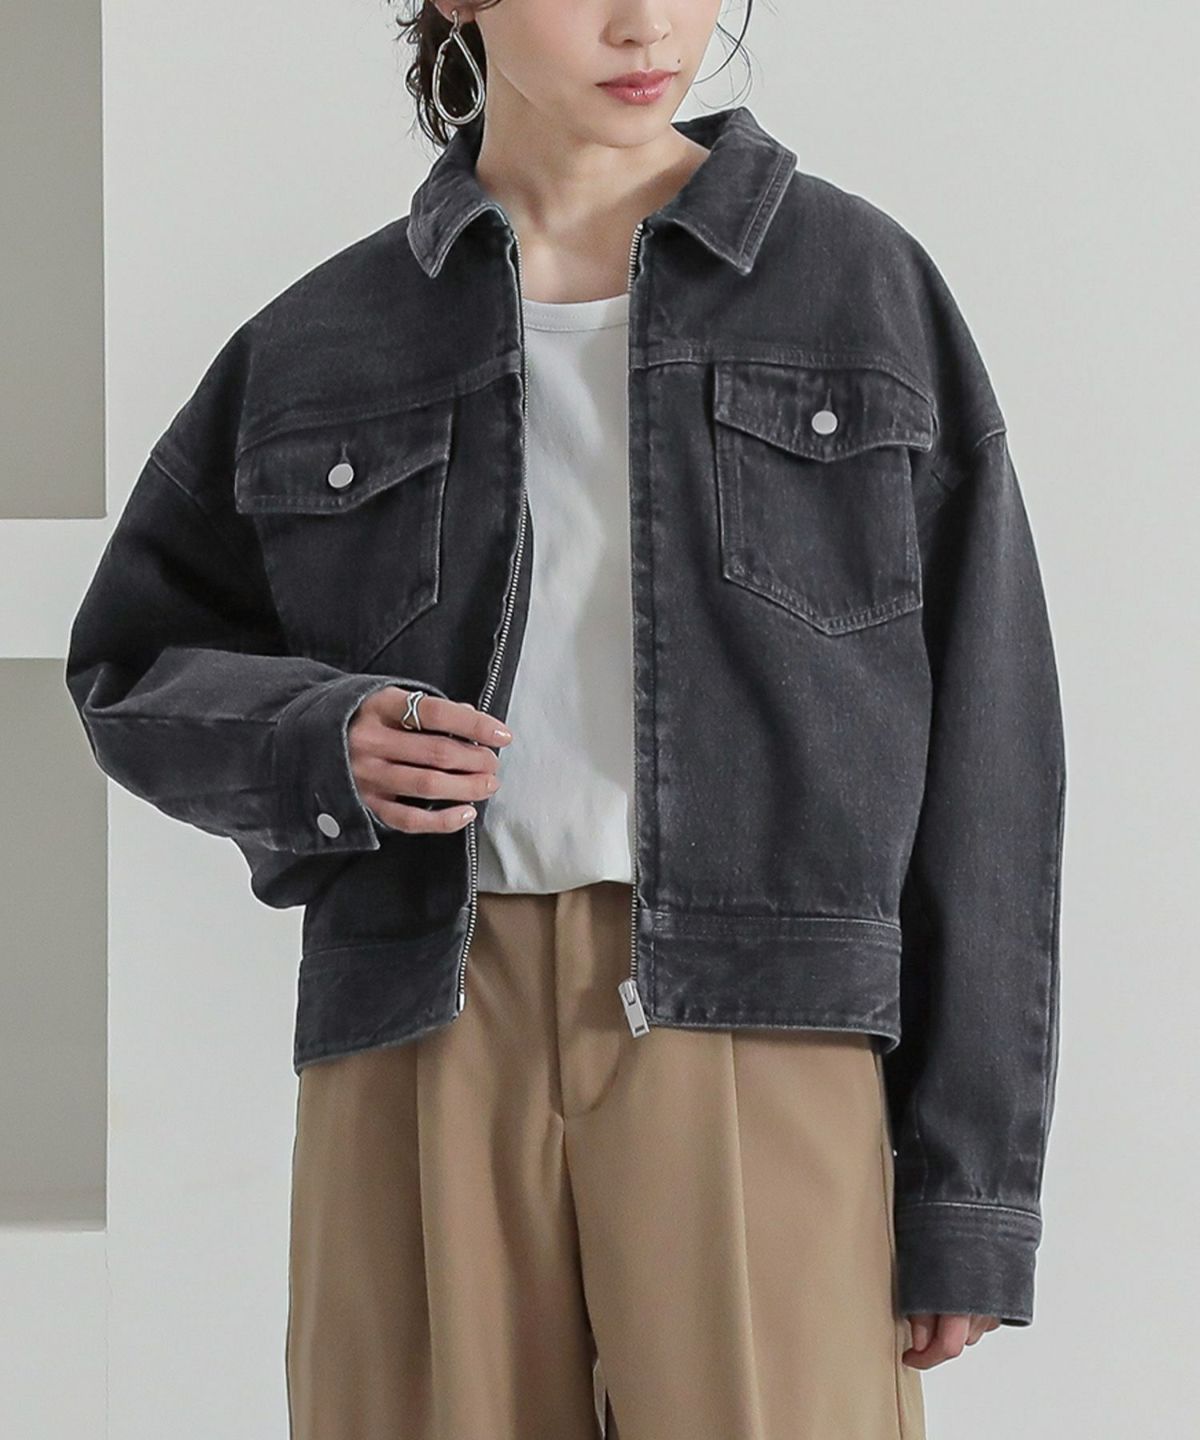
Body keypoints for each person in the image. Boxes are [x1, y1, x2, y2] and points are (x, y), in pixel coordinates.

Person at [65, 2, 1068, 1437]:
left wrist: (970, 1191)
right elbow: (131, 664)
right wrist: (316, 740)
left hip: (762, 1020)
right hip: (424, 1022)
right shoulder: (325, 338)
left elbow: (995, 754)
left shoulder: (861, 291)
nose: (645, 22)